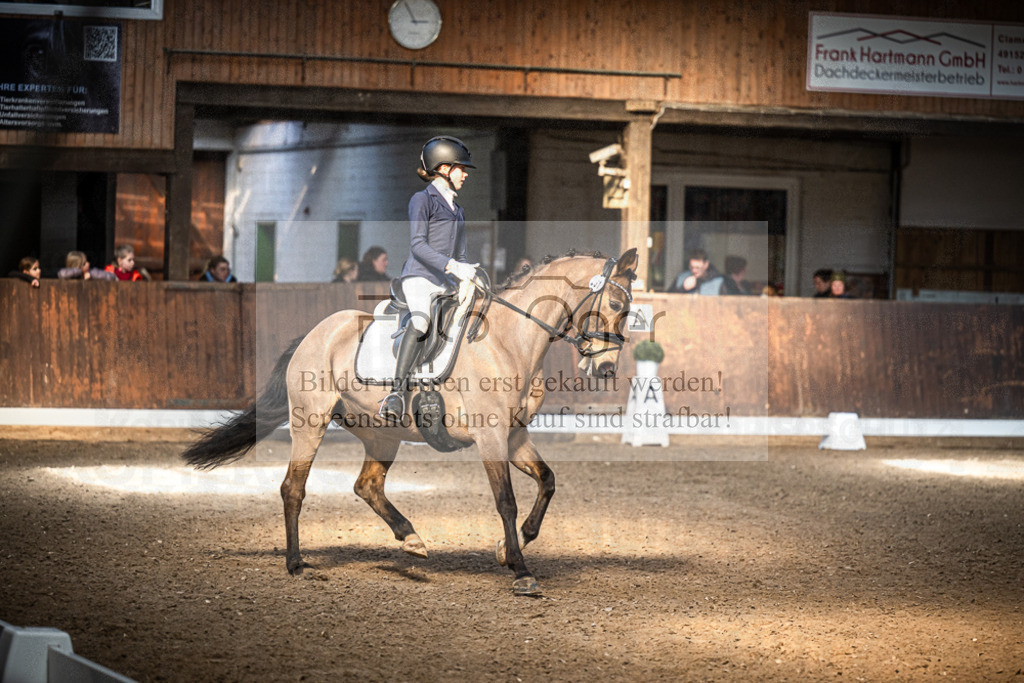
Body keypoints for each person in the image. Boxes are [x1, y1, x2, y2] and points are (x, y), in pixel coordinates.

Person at [379, 135, 477, 420]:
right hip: (419, 277)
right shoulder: (422, 201)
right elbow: (418, 246)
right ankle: (396, 393)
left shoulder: (458, 211)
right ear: (443, 168)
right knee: (422, 321)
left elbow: (460, 255)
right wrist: (452, 267)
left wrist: (468, 274)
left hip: (446, 281)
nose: (465, 174)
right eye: (461, 168)